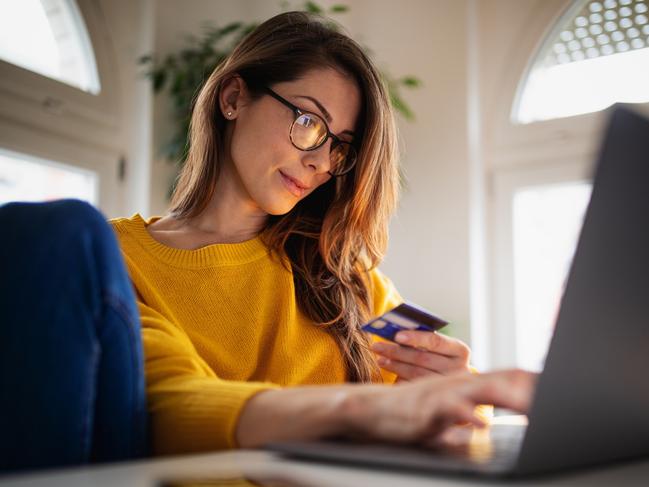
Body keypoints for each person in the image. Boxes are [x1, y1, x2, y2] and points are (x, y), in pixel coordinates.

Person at [0, 11, 534, 471]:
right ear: (234, 97)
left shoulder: (347, 279)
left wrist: (458, 389)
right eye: (308, 122)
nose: (321, 161)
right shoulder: (111, 257)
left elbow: (453, 422)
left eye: (341, 147)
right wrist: (358, 410)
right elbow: (171, 404)